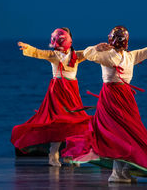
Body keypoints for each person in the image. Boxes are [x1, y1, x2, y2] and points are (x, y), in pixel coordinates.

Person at [62, 26, 147, 183]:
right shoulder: (108, 55)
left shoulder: (130, 56)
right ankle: (117, 173)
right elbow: (88, 55)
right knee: (118, 135)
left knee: (130, 134)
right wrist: (96, 48)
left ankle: (124, 171)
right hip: (111, 99)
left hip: (126, 99)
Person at [11, 28, 91, 167]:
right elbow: (39, 53)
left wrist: (101, 48)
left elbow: (90, 52)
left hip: (71, 93)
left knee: (74, 122)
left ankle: (70, 154)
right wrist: (28, 48)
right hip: (57, 93)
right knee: (57, 123)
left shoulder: (76, 56)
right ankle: (53, 154)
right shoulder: (54, 55)